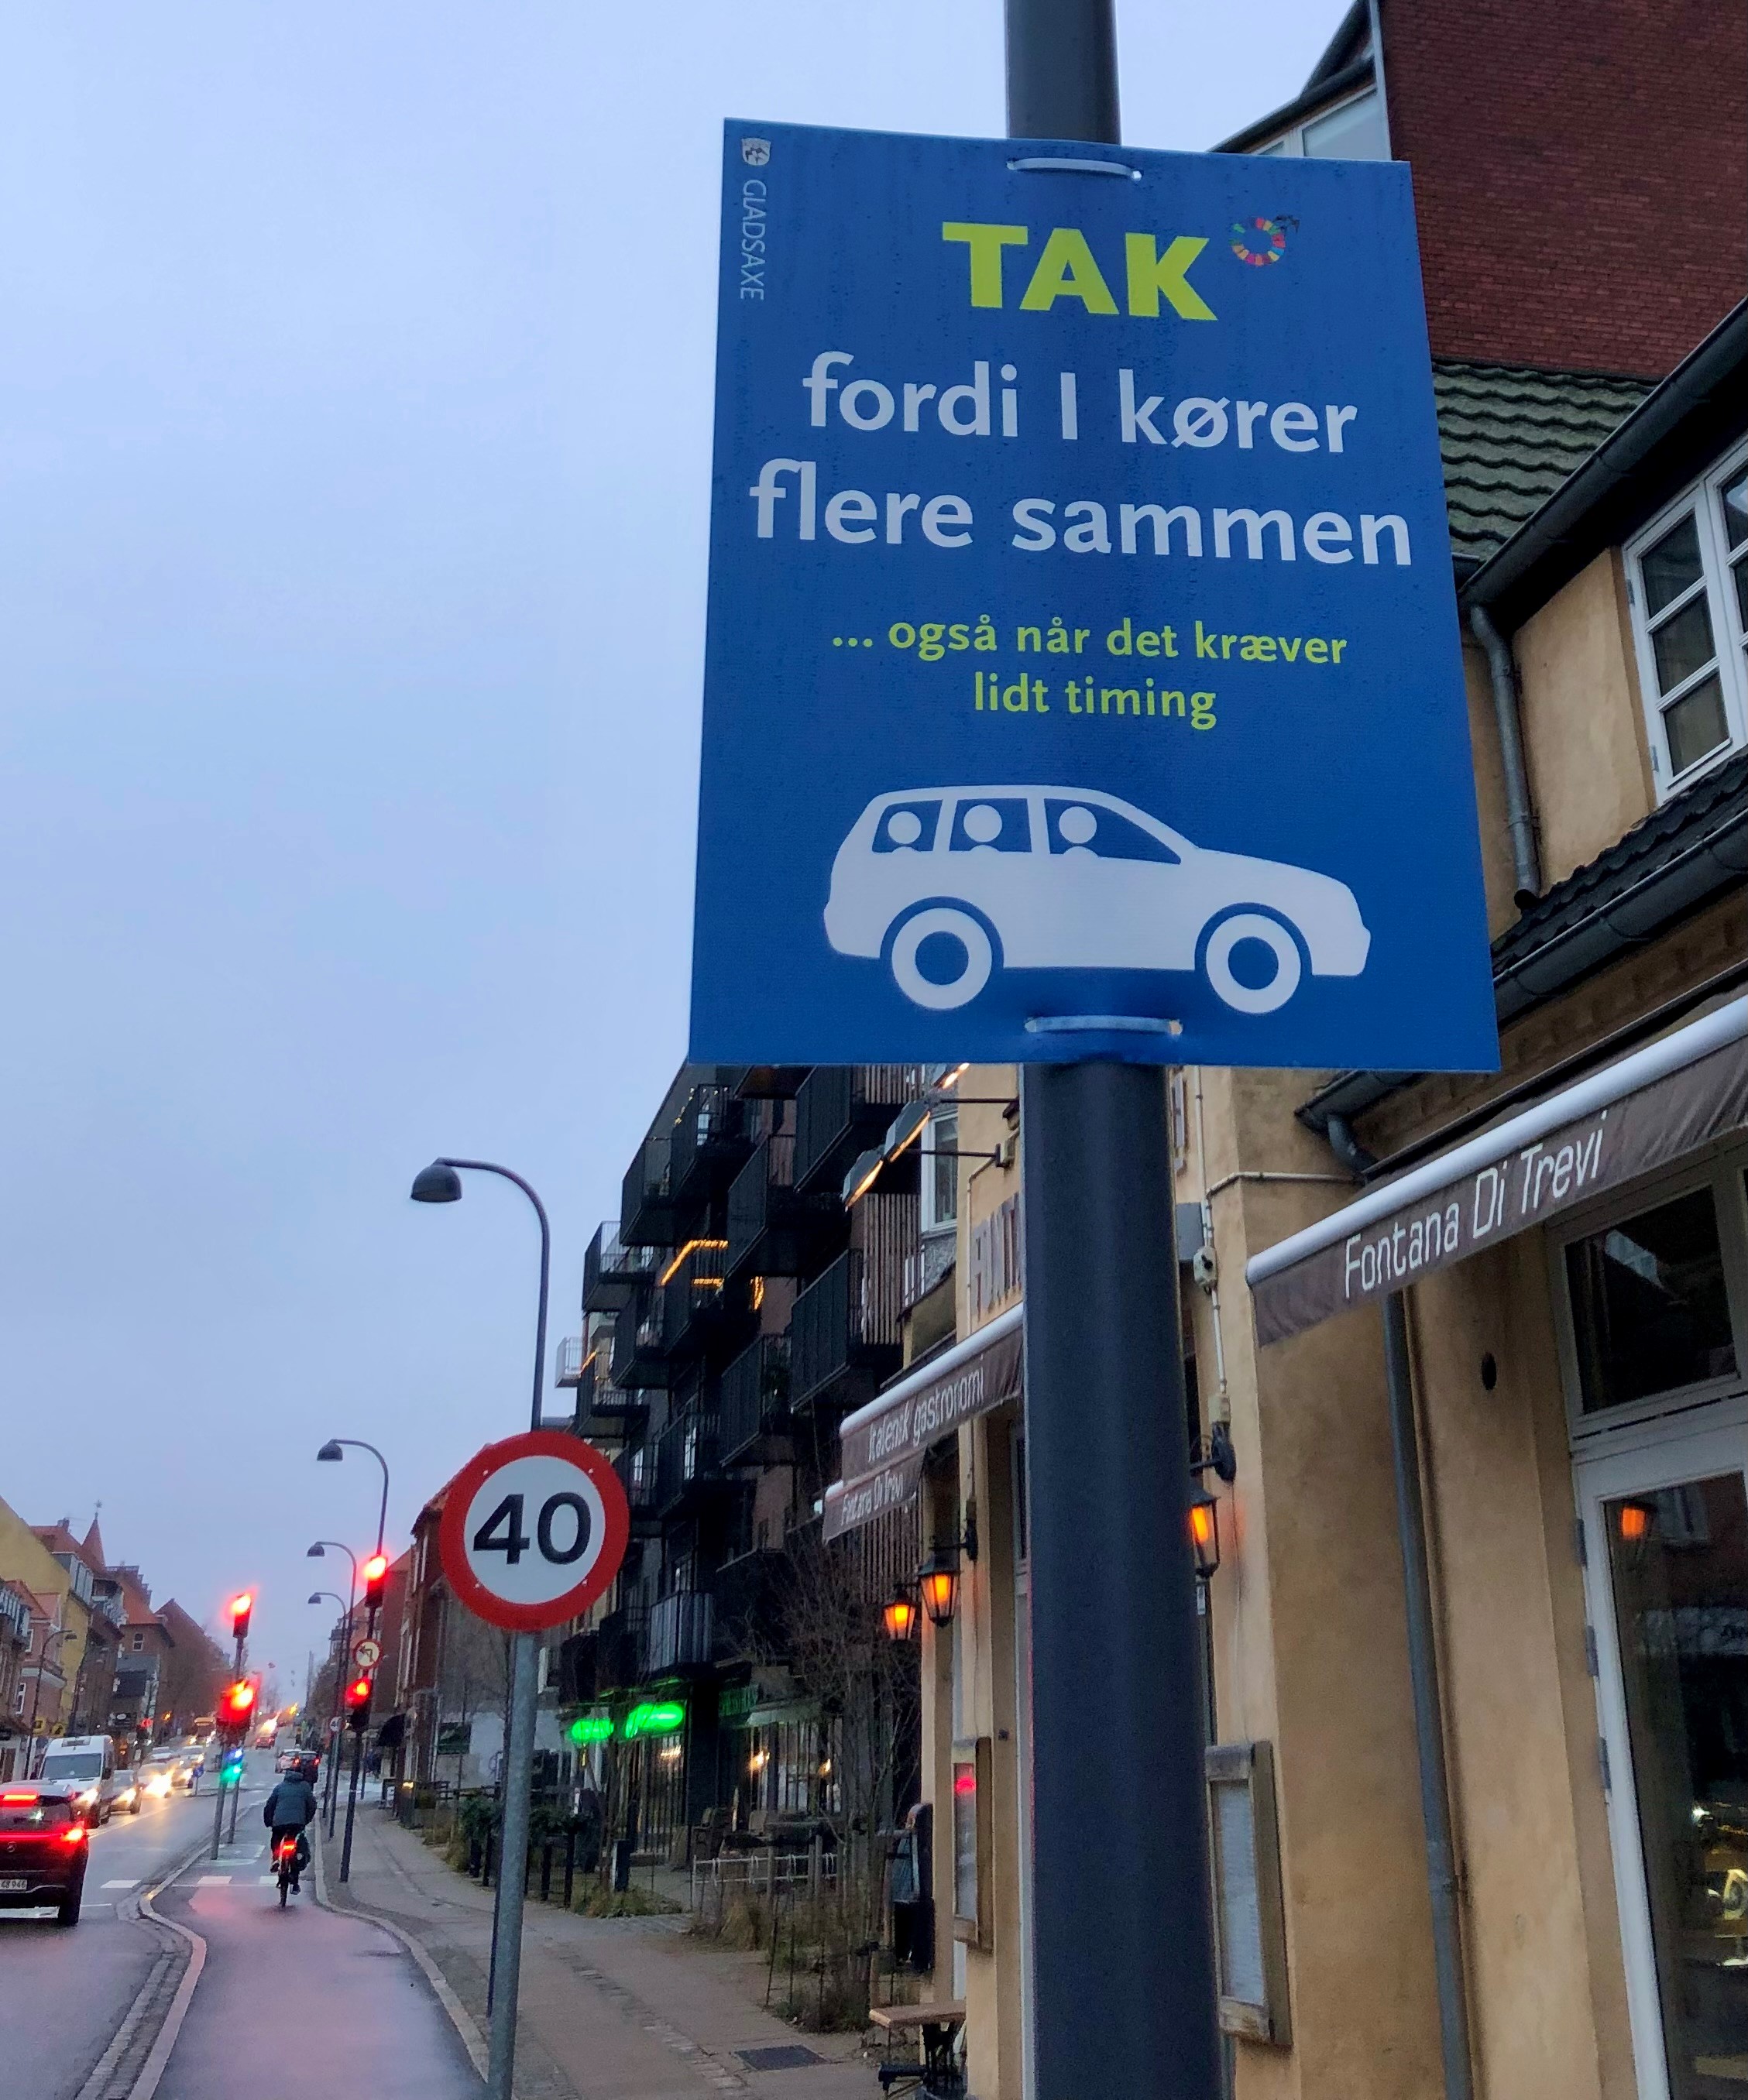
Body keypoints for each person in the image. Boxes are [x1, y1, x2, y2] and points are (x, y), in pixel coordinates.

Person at [263, 1765, 318, 1890]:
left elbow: (270, 1805)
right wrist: (306, 1819)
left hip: (279, 1822)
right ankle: (295, 1882)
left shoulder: (280, 1787)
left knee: (276, 1838)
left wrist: (269, 1821)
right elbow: (312, 1805)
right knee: (297, 1848)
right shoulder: (305, 1787)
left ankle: (276, 1859)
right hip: (297, 1823)